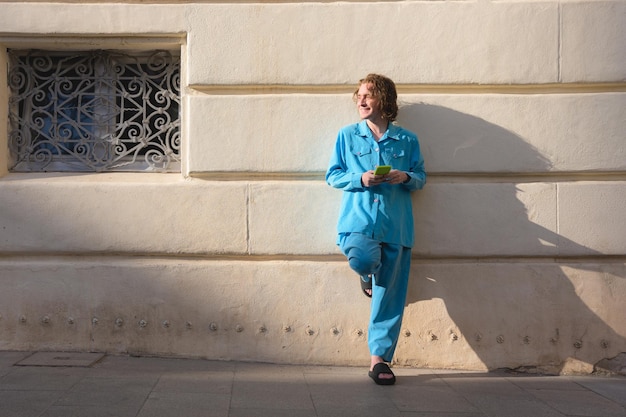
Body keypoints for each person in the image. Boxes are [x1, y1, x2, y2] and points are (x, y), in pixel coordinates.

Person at [326, 74, 426, 385]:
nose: (361, 100)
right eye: (358, 96)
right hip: (357, 223)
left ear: (384, 99)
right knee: (362, 259)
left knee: (389, 296)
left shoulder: (407, 140)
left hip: (396, 227)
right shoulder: (347, 136)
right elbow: (333, 176)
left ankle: (379, 360)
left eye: (368, 95)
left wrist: (404, 177)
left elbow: (421, 177)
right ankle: (365, 273)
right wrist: (360, 179)